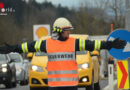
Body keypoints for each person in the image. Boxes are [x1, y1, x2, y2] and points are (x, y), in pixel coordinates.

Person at [0, 17, 126, 90]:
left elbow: (93, 45)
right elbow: (27, 47)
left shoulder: (74, 43)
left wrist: (109, 44)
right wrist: (12, 48)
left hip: (71, 86)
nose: (69, 33)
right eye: (67, 30)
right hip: (55, 87)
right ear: (59, 30)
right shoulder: (46, 44)